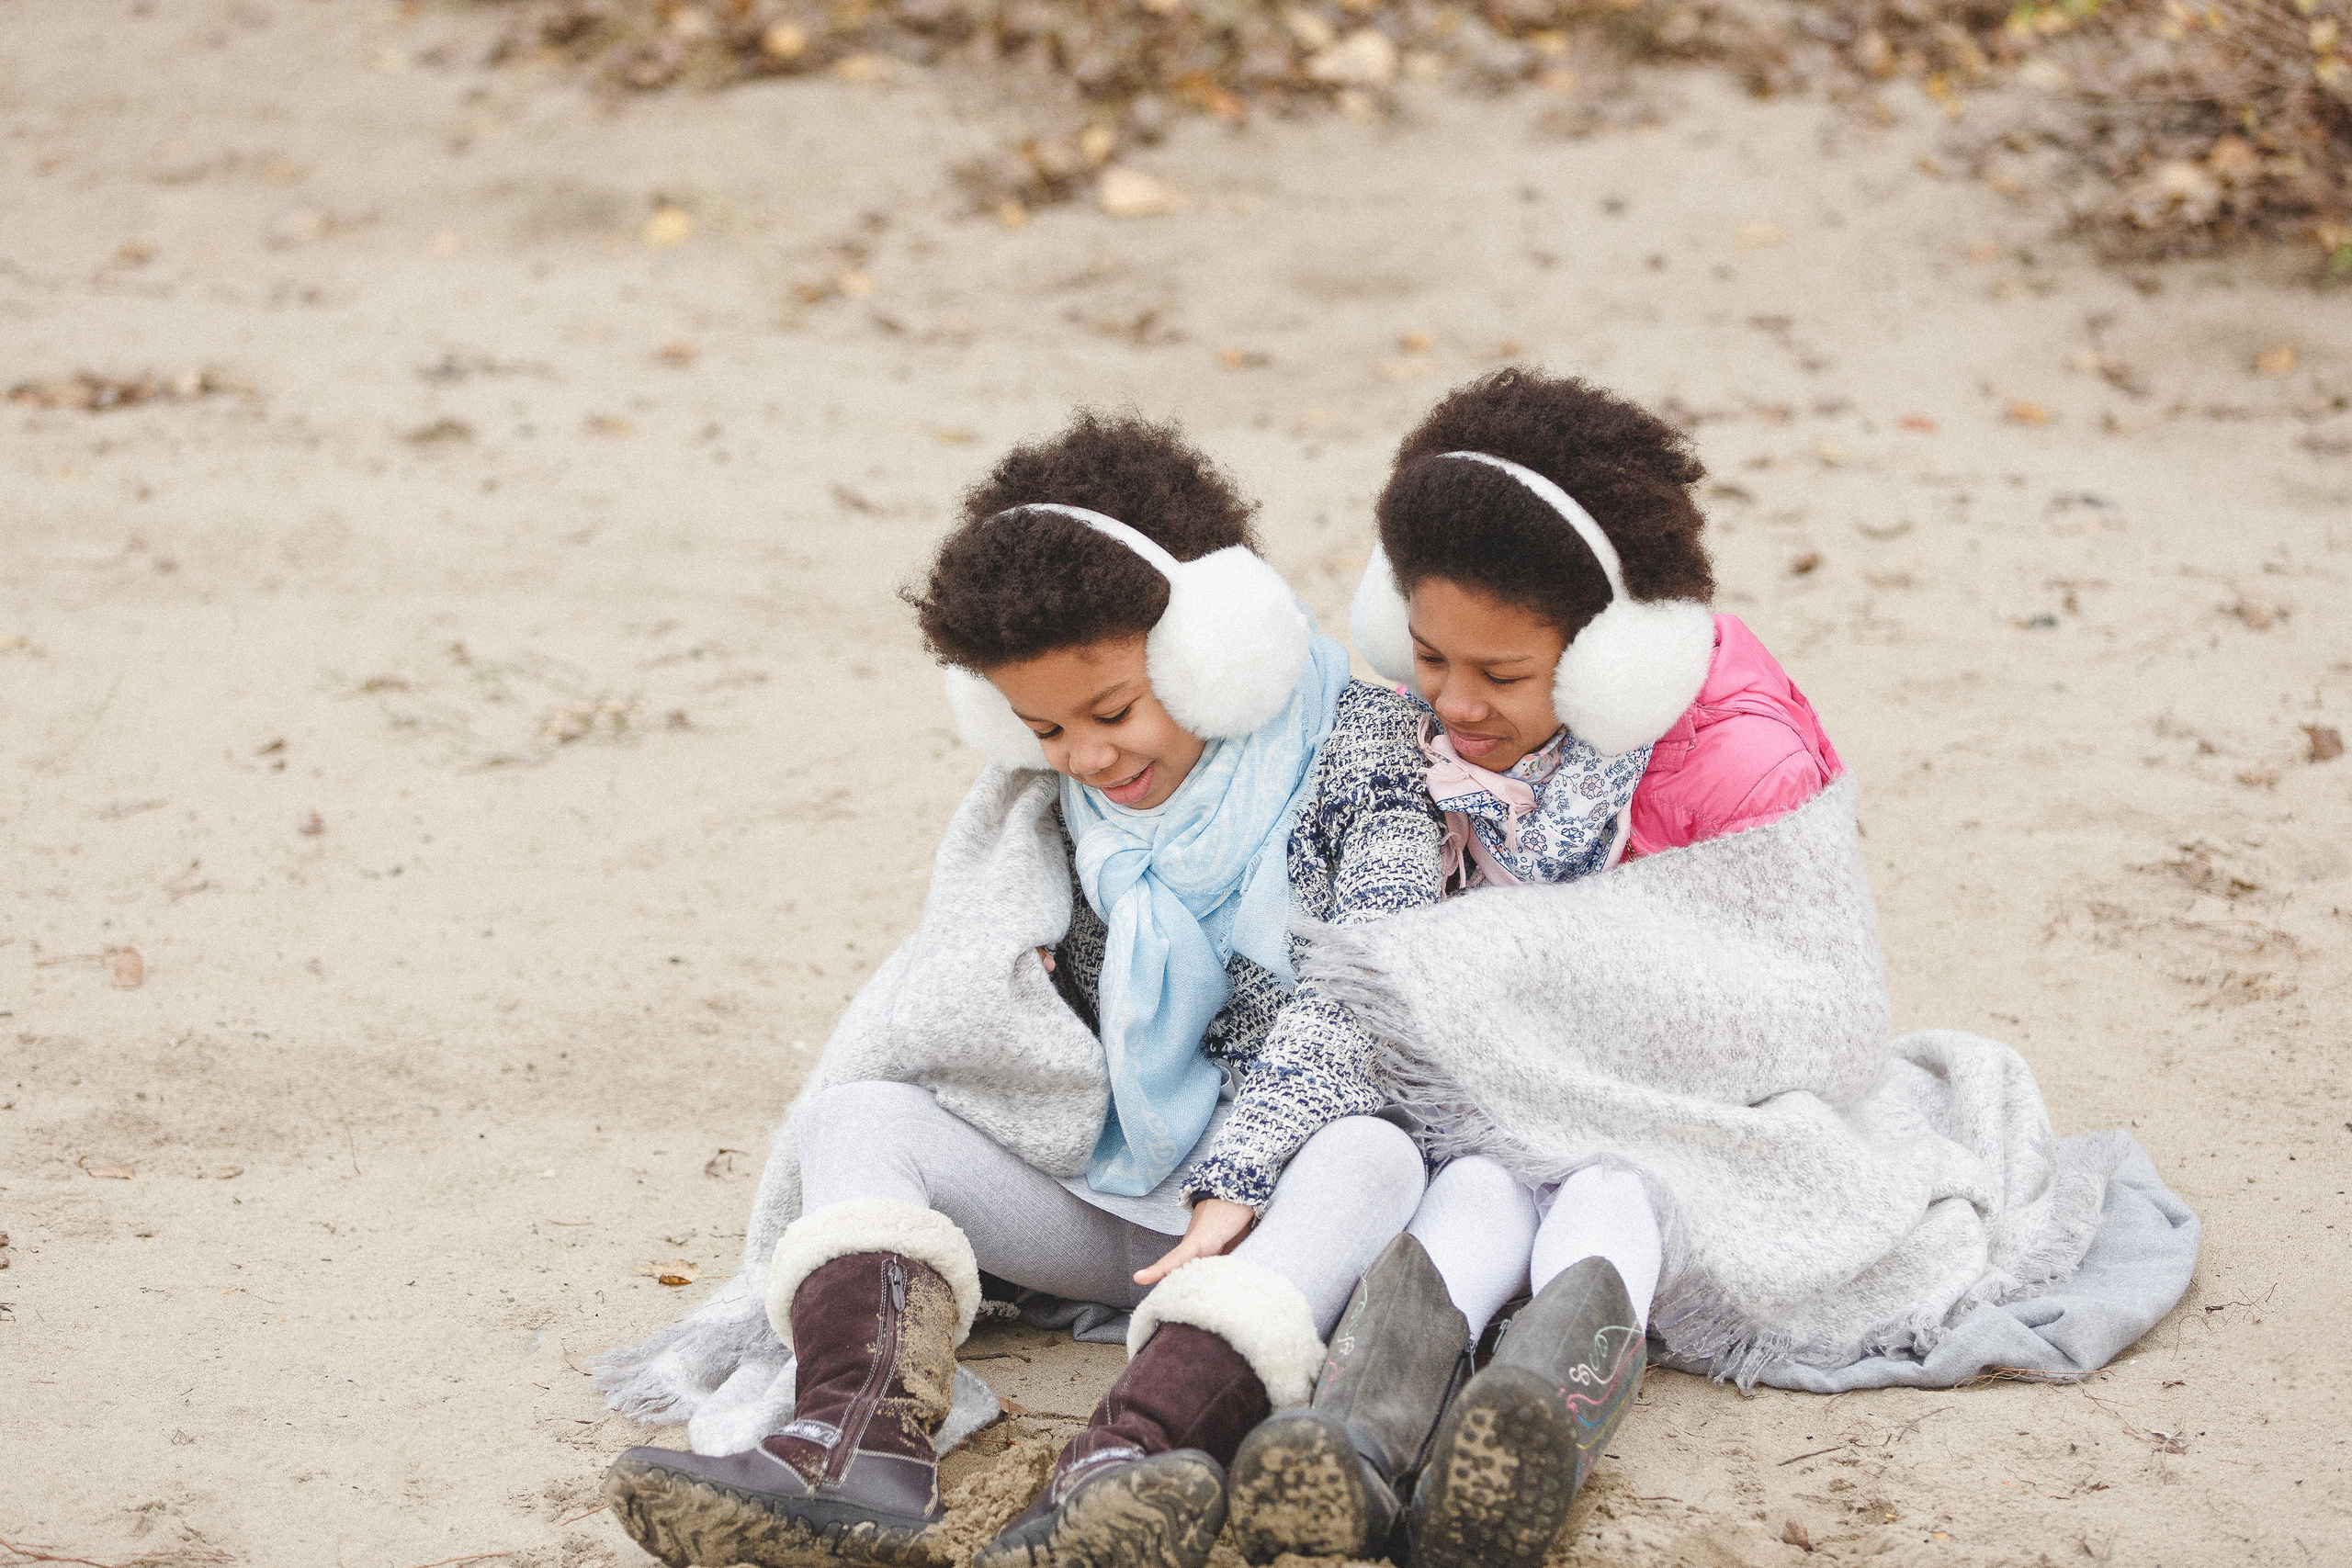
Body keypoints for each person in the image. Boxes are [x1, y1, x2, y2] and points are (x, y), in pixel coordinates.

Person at [600, 411, 1444, 1568]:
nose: (1087, 756)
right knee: (855, 1116)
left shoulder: (1367, 752)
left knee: (1374, 1154)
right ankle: (854, 1438)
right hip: (1124, 1193)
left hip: (1288, 1206)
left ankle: (1132, 1460)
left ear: (1215, 647)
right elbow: (952, 987)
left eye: (1111, 712)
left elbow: (1374, 989)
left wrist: (1243, 1171)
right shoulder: (1048, 804)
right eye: (1043, 726)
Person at [1226, 369, 1840, 1568]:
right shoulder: (1414, 718)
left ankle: (1534, 1411)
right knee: (1475, 1190)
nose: (1453, 702)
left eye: (1501, 677)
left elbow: (1786, 1020)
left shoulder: (1739, 769)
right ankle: (1360, 1423)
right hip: (1493, 1100)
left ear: (1617, 651)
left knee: (1609, 1185)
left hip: (1673, 1109)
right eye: (1429, 655)